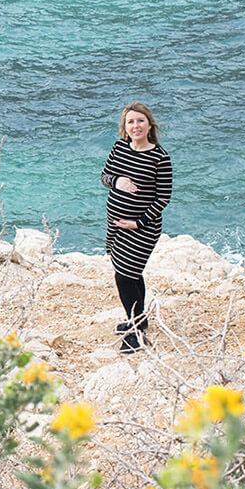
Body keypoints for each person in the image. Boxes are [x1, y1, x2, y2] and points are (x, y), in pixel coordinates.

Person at [100, 102, 172, 353]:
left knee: (124, 276)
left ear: (149, 124)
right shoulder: (120, 148)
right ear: (125, 128)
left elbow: (163, 198)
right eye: (130, 122)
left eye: (140, 120)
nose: (136, 126)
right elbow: (104, 177)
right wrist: (117, 180)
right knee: (131, 273)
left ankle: (135, 333)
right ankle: (139, 319)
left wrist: (137, 222)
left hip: (143, 228)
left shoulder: (160, 157)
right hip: (116, 225)